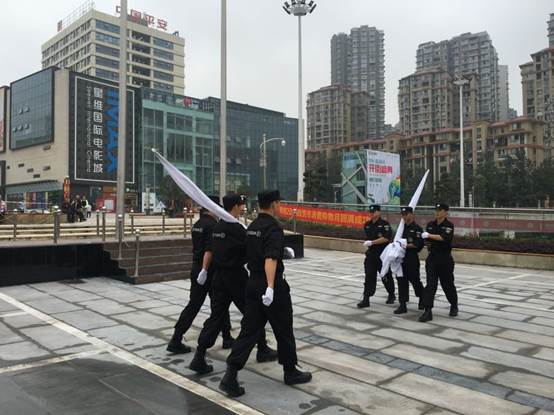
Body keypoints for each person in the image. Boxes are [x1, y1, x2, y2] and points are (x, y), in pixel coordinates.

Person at [219, 190, 311, 397]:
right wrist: (270, 287)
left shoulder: (252, 227)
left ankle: (230, 375)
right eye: (279, 203)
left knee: (248, 331)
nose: (280, 206)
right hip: (272, 286)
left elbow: (250, 253)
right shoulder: (273, 227)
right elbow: (270, 257)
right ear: (274, 204)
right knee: (284, 328)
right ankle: (290, 371)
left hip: (252, 283)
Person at [189, 193, 277, 374]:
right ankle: (262, 349)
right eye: (241, 205)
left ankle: (199, 355)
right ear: (235, 207)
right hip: (236, 277)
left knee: (216, 317)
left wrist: (205, 271)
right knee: (254, 315)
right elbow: (250, 250)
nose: (243, 208)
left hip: (219, 278)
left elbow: (213, 250)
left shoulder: (217, 227)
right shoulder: (237, 229)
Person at [167, 196, 234, 354]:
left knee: (198, 304)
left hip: (196, 268)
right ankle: (225, 337)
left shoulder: (197, 224)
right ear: (210, 208)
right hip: (208, 270)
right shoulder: (212, 225)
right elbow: (209, 250)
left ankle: (177, 338)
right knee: (219, 304)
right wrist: (205, 270)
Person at [418, 203, 459, 322]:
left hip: (444, 259)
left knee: (448, 285)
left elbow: (444, 238)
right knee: (430, 285)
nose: (437, 212)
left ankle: (454, 305)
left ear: (445, 212)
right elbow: (427, 239)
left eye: (440, 210)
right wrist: (425, 237)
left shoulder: (449, 225)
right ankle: (428, 311)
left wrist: (430, 235)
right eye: (436, 210)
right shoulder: (430, 225)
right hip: (432, 258)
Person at [357, 204, 396, 308]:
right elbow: (368, 237)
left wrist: (372, 242)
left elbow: (386, 238)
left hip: (382, 255)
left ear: (379, 212)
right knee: (369, 275)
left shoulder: (384, 224)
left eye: (374, 212)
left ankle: (391, 294)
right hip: (371, 254)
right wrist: (368, 243)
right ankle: (366, 298)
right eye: (370, 212)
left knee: (385, 276)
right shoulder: (367, 224)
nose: (372, 214)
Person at [394, 206, 425, 314]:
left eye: (406, 214)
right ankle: (402, 304)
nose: (404, 216)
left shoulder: (417, 229)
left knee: (415, 280)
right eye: (402, 214)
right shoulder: (401, 228)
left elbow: (418, 245)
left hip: (411, 258)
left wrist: (405, 245)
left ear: (411, 214)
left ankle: (422, 297)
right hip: (400, 259)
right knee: (401, 281)